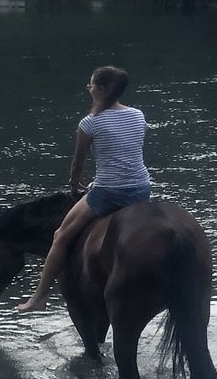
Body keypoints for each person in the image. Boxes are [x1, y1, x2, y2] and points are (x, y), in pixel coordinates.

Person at [16, 65, 151, 312]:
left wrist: (74, 184)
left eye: (91, 85)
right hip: (141, 189)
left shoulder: (90, 123)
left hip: (108, 192)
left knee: (61, 236)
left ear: (101, 89)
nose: (89, 88)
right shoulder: (137, 115)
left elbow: (78, 163)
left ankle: (39, 297)